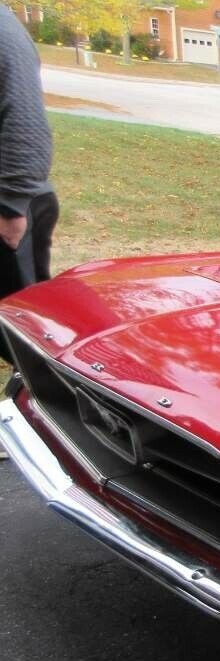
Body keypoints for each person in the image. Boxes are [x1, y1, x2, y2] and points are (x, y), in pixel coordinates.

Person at [0, 4, 58, 459]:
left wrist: (10, 204)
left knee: (22, 327)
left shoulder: (2, 31)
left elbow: (25, 122)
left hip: (8, 208)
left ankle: (48, 426)